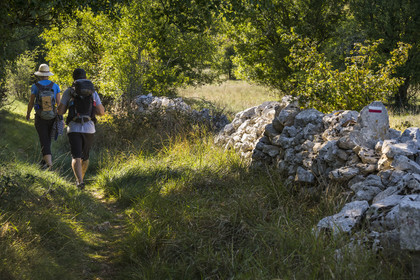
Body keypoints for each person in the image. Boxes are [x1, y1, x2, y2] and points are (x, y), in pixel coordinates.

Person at [57, 68, 105, 190]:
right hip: (89, 128)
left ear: (74, 78)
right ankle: (81, 179)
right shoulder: (92, 92)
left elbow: (61, 111)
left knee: (76, 156)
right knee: (85, 157)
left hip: (74, 127)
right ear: (85, 77)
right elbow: (101, 112)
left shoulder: (69, 91)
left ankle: (79, 181)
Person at [26, 63, 61, 170]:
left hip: (40, 117)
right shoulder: (55, 86)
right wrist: (60, 117)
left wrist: (28, 114)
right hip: (53, 117)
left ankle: (50, 166)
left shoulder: (35, 86)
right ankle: (44, 163)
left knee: (44, 140)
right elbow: (59, 104)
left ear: (39, 74)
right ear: (48, 74)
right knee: (47, 140)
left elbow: (31, 102)